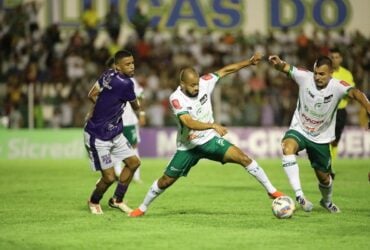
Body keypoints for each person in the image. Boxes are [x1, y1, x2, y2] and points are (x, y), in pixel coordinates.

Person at [129, 53, 285, 217]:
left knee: (243, 158)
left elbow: (225, 71)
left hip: (210, 140)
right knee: (165, 181)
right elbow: (188, 122)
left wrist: (248, 62)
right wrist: (212, 124)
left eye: (197, 84)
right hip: (188, 146)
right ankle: (142, 207)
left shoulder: (205, 82)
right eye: (192, 85)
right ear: (182, 84)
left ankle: (271, 191)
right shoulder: (176, 98)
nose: (196, 88)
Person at [268, 55, 370, 213]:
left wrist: (368, 108)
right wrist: (278, 63)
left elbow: (356, 94)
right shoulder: (304, 77)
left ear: (330, 73)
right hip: (300, 129)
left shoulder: (338, 86)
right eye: (316, 73)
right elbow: (286, 67)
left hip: (321, 138)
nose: (317, 77)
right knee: (287, 148)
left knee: (325, 178)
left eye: (322, 74)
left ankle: (327, 201)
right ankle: (299, 195)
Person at [84, 50, 143, 215]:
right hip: (98, 136)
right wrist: (140, 110)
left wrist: (103, 106)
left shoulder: (108, 74)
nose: (132, 67)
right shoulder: (127, 84)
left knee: (134, 163)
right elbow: (135, 105)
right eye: (127, 64)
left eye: (132, 63)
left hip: (115, 133)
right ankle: (94, 200)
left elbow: (92, 94)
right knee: (109, 177)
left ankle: (117, 200)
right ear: (118, 66)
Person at [104, 57, 146, 183]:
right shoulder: (107, 82)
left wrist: (142, 114)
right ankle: (117, 174)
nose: (114, 70)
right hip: (114, 121)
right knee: (114, 147)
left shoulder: (131, 80)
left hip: (129, 121)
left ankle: (136, 177)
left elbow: (140, 97)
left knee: (133, 147)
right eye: (112, 68)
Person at [328, 48, 356, 179]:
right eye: (332, 57)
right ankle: (329, 167)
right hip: (327, 111)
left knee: (335, 141)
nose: (334, 59)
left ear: (341, 59)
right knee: (327, 139)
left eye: (336, 57)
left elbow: (352, 92)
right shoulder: (326, 72)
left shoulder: (347, 74)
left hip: (341, 112)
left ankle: (330, 164)